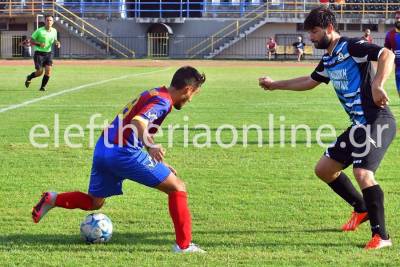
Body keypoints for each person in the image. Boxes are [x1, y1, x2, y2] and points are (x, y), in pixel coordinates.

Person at [259, 7, 396, 250]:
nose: (311, 37)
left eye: (314, 31)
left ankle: (382, 237)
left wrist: (378, 84)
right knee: (324, 169)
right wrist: (275, 85)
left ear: (329, 28)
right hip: (359, 126)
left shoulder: (352, 47)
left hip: (377, 121)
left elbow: (386, 54)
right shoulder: (329, 58)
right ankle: (361, 208)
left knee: (363, 173)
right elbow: (309, 80)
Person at [31, 66, 207, 253]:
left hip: (103, 148)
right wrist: (152, 145)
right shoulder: (163, 101)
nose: (190, 99)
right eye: (193, 94)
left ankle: (52, 199)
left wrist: (157, 159)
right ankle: (184, 245)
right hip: (124, 153)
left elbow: (134, 124)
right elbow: (139, 121)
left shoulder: (154, 92)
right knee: (178, 187)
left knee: (94, 202)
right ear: (188, 89)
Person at [24, 14, 60, 91]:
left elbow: (55, 39)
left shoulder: (54, 31)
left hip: (48, 53)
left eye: (50, 20)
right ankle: (29, 77)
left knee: (48, 70)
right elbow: (31, 40)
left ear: (53, 22)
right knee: (40, 72)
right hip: (39, 53)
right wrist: (39, 44)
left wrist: (57, 42)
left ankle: (42, 87)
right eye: (47, 20)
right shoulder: (39, 31)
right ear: (44, 21)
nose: (49, 22)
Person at [384, 10, 400, 98]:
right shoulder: (390, 35)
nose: (399, 19)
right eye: (397, 18)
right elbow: (387, 52)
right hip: (398, 70)